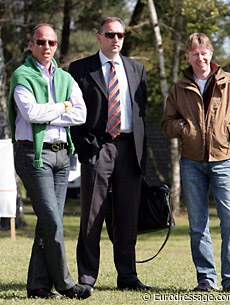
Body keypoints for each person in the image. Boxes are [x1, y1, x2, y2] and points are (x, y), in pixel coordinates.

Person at [8, 23, 92, 300]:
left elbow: (81, 115)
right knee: (54, 222)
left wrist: (52, 111)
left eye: (52, 43)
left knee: (47, 222)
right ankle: (67, 284)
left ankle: (38, 286)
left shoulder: (66, 78)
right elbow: (31, 113)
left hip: (61, 155)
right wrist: (64, 106)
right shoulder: (22, 75)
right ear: (31, 45)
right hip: (33, 155)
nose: (47, 47)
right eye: (41, 42)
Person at [68, 16, 150, 293]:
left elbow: (141, 114)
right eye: (110, 34)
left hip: (129, 150)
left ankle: (127, 277)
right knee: (92, 217)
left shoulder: (137, 69)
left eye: (120, 35)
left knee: (127, 218)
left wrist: (142, 154)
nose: (116, 39)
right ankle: (87, 278)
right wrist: (84, 149)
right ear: (99, 36)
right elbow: (74, 114)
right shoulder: (80, 69)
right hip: (98, 149)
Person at [162, 32, 230, 293]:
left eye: (203, 52)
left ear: (211, 53)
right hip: (191, 162)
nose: (200, 57)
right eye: (194, 53)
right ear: (188, 57)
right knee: (198, 224)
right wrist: (183, 128)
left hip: (224, 160)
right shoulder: (179, 88)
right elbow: (166, 124)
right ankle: (206, 279)